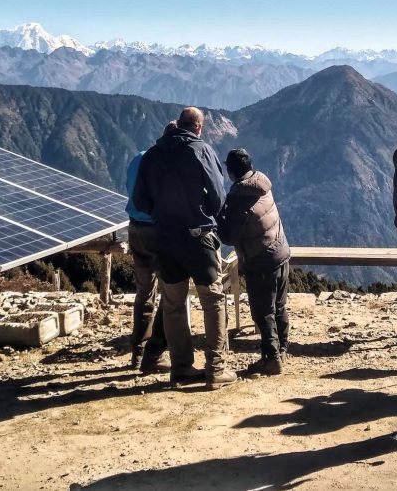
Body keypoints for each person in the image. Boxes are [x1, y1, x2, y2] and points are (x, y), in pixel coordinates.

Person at [133, 107, 236, 389]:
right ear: (199, 127)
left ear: (178, 124)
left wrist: (162, 213)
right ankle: (216, 368)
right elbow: (218, 194)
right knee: (212, 300)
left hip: (165, 237)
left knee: (173, 302)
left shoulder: (152, 155)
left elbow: (140, 201)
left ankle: (181, 367)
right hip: (197, 235)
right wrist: (204, 214)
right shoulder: (201, 151)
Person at [217, 148, 291, 376]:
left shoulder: (240, 199)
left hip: (261, 260)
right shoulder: (261, 184)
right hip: (281, 251)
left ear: (230, 172)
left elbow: (230, 236)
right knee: (278, 306)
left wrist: (218, 217)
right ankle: (283, 350)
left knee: (263, 311)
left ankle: (271, 359)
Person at [125, 127, 172, 374]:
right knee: (171, 290)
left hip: (134, 229)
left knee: (144, 292)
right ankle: (155, 352)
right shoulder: (165, 162)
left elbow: (128, 187)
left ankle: (138, 351)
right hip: (158, 232)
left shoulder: (139, 157)